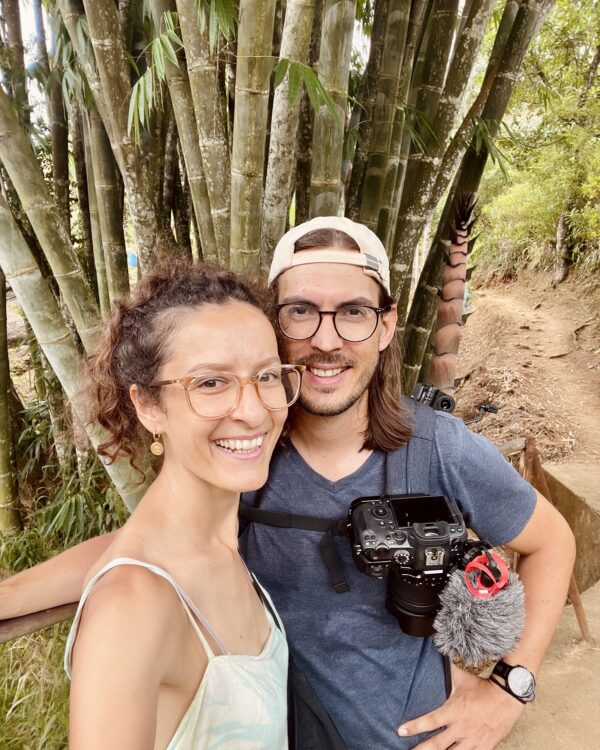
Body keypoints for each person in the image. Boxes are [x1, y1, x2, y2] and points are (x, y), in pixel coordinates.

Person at [1, 217, 575, 750]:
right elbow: (163, 550)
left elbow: (552, 541)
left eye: (353, 312)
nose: (327, 339)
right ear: (274, 324)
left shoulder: (437, 446)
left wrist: (509, 688)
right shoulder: (245, 453)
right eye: (301, 311)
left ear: (386, 325)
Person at [56, 262, 303, 748]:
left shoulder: (224, 542)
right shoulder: (131, 606)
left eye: (267, 376)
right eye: (210, 383)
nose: (253, 411)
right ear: (148, 407)